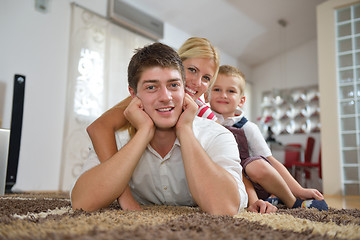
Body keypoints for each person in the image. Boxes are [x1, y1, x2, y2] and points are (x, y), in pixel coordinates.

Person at [70, 43, 248, 216]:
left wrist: (185, 130)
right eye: (151, 87)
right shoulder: (116, 136)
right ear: (133, 94)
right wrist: (143, 133)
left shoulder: (216, 134)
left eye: (173, 85)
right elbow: (82, 203)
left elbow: (225, 208)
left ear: (183, 87)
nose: (165, 97)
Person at [204, 65, 328, 213]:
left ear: (241, 100)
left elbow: (272, 162)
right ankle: (271, 198)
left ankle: (291, 200)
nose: (223, 95)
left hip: (252, 181)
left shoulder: (248, 128)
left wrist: (299, 190)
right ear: (207, 95)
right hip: (220, 181)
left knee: (256, 164)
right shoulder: (204, 123)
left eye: (231, 91)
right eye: (217, 89)